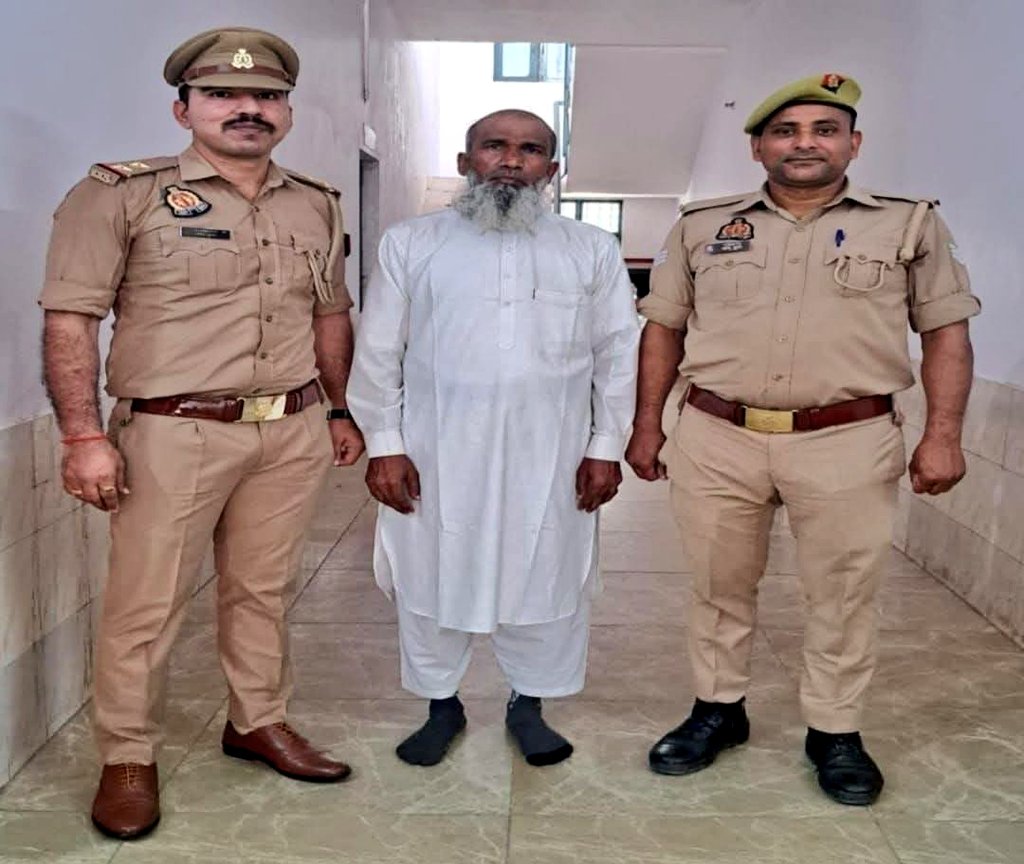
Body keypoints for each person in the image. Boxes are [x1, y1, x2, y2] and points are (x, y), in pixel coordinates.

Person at [39, 27, 364, 840]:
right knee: (144, 604)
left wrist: (337, 408)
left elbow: (330, 314)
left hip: (288, 430)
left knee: (263, 591)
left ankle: (258, 720)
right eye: (222, 94)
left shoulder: (316, 202)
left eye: (267, 96)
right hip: (172, 432)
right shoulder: (122, 194)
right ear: (183, 109)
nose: (247, 108)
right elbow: (72, 318)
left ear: (287, 112)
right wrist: (82, 436)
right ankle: (127, 756)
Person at [626, 73, 980, 806]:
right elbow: (663, 329)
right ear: (758, 148)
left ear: (854, 143)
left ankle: (835, 730)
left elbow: (946, 331)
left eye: (824, 129)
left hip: (847, 437)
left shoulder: (909, 225)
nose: (805, 143)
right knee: (718, 583)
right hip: (718, 434)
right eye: (785, 131)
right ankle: (717, 710)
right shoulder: (701, 226)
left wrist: (943, 434)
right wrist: (646, 425)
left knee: (844, 592)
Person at [348, 109, 639, 768]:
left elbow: (619, 352)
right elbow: (379, 348)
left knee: (547, 570)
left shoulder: (590, 248)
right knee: (430, 567)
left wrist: (605, 447)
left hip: (553, 451)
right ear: (465, 161)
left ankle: (529, 704)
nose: (511, 160)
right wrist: (385, 443)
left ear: (551, 170)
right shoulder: (410, 243)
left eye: (530, 150)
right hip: (436, 449)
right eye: (494, 146)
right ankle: (440, 705)